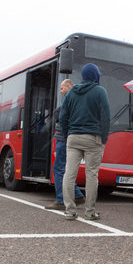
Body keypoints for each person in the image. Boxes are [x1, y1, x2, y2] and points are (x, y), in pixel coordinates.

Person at [59, 63, 110, 221]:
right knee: (92, 175)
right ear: (96, 76)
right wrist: (104, 138)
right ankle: (89, 212)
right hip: (93, 138)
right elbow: (105, 117)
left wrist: (69, 134)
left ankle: (69, 211)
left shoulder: (72, 92)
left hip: (73, 137)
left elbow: (63, 116)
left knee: (69, 174)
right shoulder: (100, 91)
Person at [45, 79, 85, 210]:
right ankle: (77, 195)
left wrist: (57, 114)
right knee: (66, 169)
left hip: (64, 138)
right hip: (73, 137)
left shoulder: (70, 97)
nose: (61, 91)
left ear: (68, 86)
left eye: (62, 88)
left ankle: (61, 199)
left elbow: (59, 113)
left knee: (59, 169)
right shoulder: (80, 97)